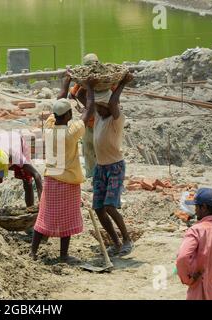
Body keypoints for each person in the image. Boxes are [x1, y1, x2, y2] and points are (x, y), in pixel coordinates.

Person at [31, 99, 90, 263]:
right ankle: (63, 255)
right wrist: (90, 89)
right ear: (69, 114)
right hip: (69, 182)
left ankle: (33, 252)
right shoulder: (71, 133)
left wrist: (66, 85)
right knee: (68, 218)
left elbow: (59, 103)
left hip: (51, 180)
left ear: (55, 115)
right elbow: (88, 111)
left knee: (44, 216)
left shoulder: (48, 129)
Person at [82, 73, 134, 257]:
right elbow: (83, 99)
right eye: (98, 106)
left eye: (102, 106)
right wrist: (86, 85)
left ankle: (127, 240)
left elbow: (113, 103)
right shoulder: (98, 118)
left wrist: (122, 83)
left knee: (110, 206)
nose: (99, 109)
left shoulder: (116, 120)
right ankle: (116, 242)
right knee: (98, 208)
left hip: (115, 167)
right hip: (101, 168)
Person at [176, 188, 212, 300]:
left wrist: (188, 279)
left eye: (196, 207)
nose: (195, 211)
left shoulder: (196, 230)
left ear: (203, 207)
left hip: (199, 291)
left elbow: (182, 257)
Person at [58, 53, 99, 179]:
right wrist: (81, 108)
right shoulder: (82, 83)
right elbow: (72, 95)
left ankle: (99, 177)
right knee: (88, 150)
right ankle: (92, 176)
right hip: (89, 122)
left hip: (101, 122)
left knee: (99, 150)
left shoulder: (106, 81)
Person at [0, 131, 43, 214]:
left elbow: (37, 175)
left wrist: (41, 200)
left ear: (10, 162)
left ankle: (30, 209)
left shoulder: (17, 156)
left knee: (27, 178)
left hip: (16, 141)